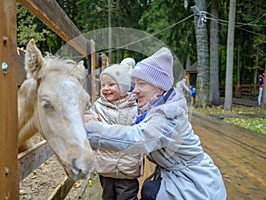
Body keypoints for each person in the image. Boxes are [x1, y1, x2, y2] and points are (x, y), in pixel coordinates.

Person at [85, 47, 227, 199]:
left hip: (194, 184)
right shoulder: (154, 108)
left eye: (141, 84)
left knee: (150, 192)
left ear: (160, 86)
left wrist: (89, 131)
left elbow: (135, 138)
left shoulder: (168, 115)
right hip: (177, 175)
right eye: (135, 84)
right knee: (149, 190)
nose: (135, 90)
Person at [84, 64, 143, 200]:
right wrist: (86, 117)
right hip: (105, 166)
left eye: (111, 84)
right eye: (103, 85)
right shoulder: (99, 106)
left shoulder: (135, 106)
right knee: (108, 196)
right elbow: (88, 115)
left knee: (127, 196)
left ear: (123, 87)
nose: (106, 89)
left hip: (128, 166)